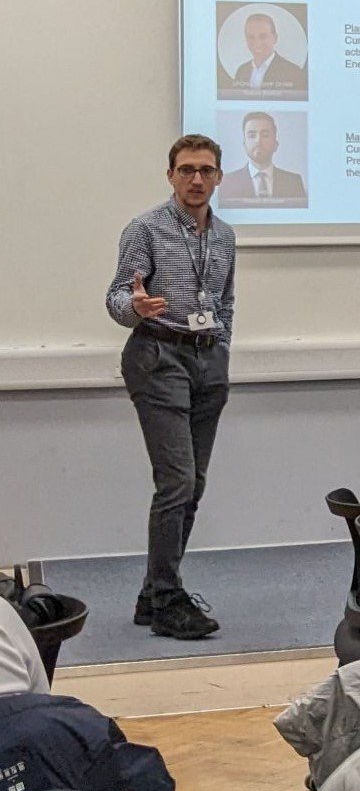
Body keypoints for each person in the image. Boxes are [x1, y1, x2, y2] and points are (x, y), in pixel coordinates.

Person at [104, 134, 235, 640]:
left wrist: (221, 349)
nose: (196, 179)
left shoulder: (224, 236)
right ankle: (167, 599)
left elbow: (225, 302)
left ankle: (153, 592)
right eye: (186, 170)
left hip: (207, 360)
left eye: (205, 170)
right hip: (157, 357)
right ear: (171, 176)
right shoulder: (145, 229)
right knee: (176, 481)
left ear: (218, 177)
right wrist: (134, 307)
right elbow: (117, 298)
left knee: (194, 484)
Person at [215, 111, 308, 205]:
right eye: (252, 135)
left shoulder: (293, 182)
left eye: (265, 135)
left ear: (275, 145)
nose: (258, 141)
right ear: (244, 145)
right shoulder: (226, 182)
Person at [222, 13, 305, 96]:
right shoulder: (241, 71)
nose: (257, 43)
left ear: (275, 38)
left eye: (263, 37)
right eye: (251, 37)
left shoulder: (293, 72)